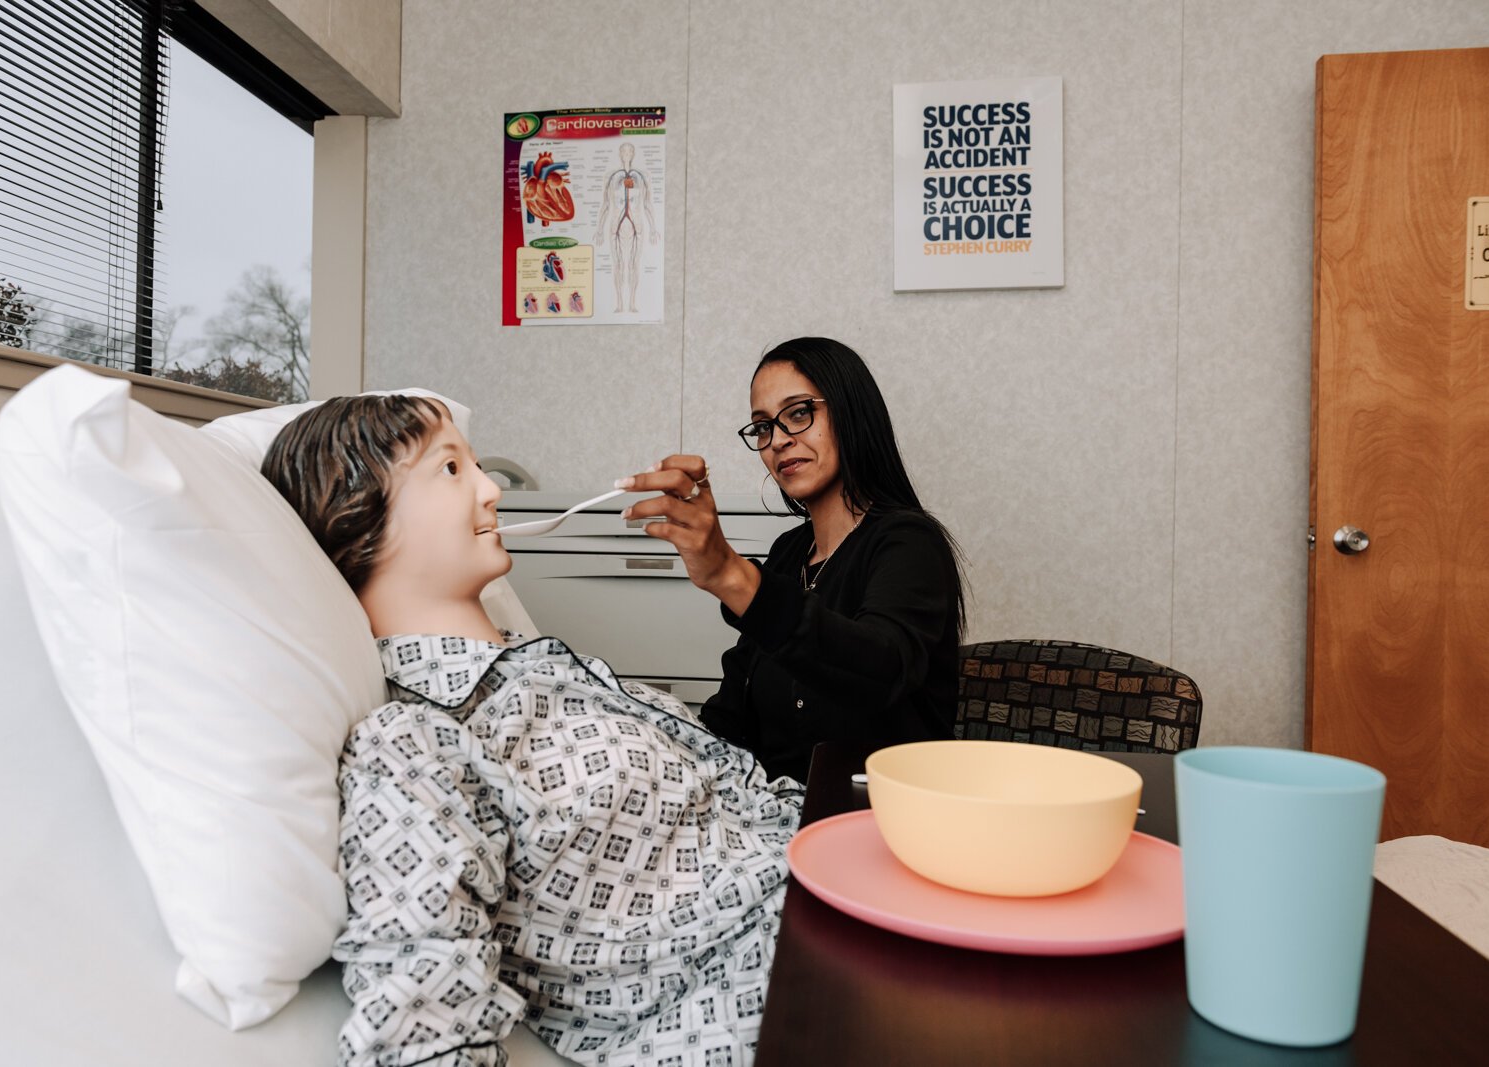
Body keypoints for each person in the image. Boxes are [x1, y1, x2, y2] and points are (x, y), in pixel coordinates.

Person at [260, 395, 801, 1067]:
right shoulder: (413, 743)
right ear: (357, 514)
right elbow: (423, 1023)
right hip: (783, 981)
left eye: (478, 464)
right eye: (452, 468)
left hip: (826, 878)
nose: (490, 490)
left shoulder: (546, 669)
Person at [617, 337, 964, 784]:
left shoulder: (909, 543)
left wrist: (729, 573)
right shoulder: (787, 553)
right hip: (768, 820)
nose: (778, 440)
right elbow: (733, 715)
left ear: (851, 412)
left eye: (799, 414)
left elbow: (880, 672)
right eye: (763, 427)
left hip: (874, 821)